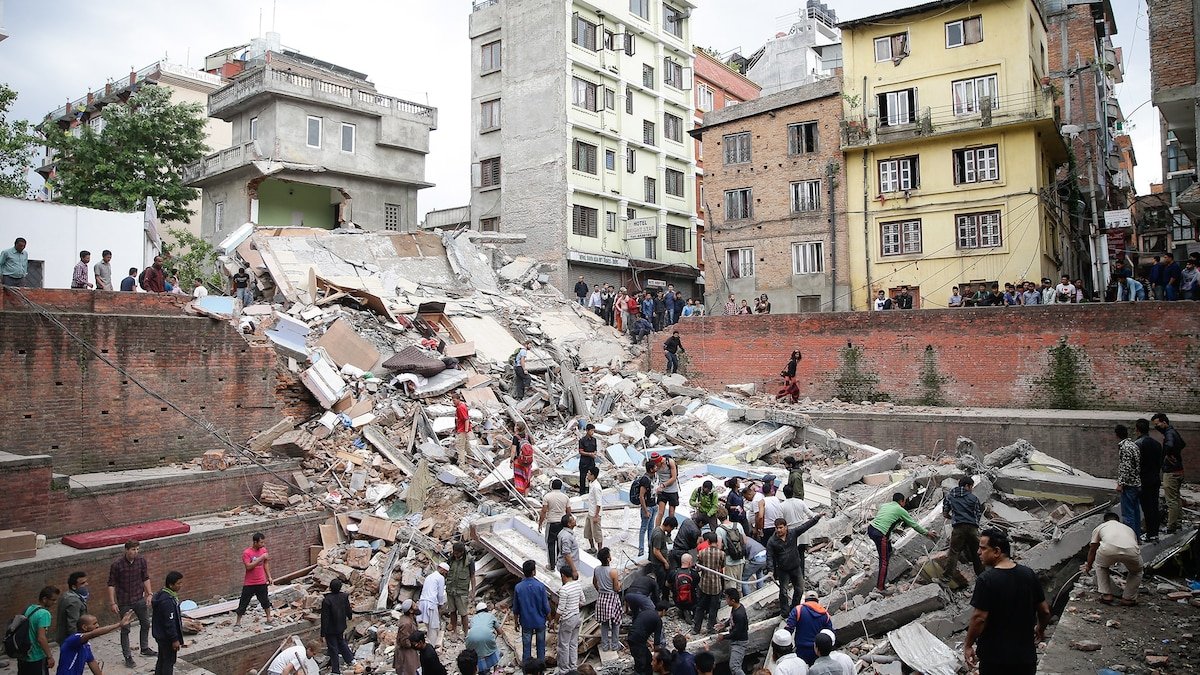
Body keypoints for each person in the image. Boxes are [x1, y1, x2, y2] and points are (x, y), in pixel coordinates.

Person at [964, 528, 1049, 675]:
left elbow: (979, 618)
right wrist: (1040, 629)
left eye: (983, 548)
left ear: (996, 551)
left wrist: (968, 645)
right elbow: (1045, 611)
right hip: (1025, 658)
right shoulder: (1028, 574)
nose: (978, 552)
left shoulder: (986, 580)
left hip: (995, 659)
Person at [867, 493, 937, 592]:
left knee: (887, 543)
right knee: (884, 561)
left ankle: (889, 551)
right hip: (880, 534)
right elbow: (914, 524)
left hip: (871, 529)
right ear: (901, 501)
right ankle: (880, 587)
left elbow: (885, 519)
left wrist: (895, 529)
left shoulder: (884, 505)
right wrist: (926, 533)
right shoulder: (901, 510)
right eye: (904, 501)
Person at [107, 540, 154, 669]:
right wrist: (112, 602)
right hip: (124, 601)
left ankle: (144, 648)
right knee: (125, 628)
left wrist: (149, 593)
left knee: (145, 623)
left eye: (137, 549)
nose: (135, 552)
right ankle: (127, 656)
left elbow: (145, 577)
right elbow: (111, 584)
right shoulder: (117, 565)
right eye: (133, 549)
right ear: (126, 550)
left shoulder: (141, 561)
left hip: (139, 598)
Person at [1082, 512, 1143, 606]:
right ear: (1118, 521)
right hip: (1131, 551)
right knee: (1137, 572)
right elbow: (1134, 544)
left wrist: (1089, 566)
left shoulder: (1101, 527)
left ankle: (1106, 594)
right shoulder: (1129, 529)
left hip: (1108, 549)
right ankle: (1128, 598)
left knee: (1100, 566)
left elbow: (1093, 548)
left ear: (1105, 520)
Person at [766, 515, 823, 617]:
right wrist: (770, 570)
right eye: (777, 528)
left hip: (796, 567)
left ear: (786, 527)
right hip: (783, 570)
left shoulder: (793, 533)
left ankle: (795, 609)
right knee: (783, 591)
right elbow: (769, 556)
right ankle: (784, 613)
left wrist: (817, 517)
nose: (778, 530)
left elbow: (805, 526)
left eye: (780, 527)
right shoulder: (772, 541)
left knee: (800, 589)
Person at [56, 610, 134, 675]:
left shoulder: (86, 645)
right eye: (94, 624)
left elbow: (92, 661)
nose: (97, 625)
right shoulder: (74, 639)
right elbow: (94, 633)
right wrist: (119, 624)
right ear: (84, 627)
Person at [942, 476, 985, 578]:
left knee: (954, 552)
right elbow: (978, 515)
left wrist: (952, 517)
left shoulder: (950, 496)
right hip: (972, 528)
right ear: (967, 486)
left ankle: (946, 578)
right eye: (971, 487)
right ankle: (982, 577)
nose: (971, 489)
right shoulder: (973, 498)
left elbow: (945, 513)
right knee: (977, 553)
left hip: (958, 527)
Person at [1153, 413, 1187, 534]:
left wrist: (1166, 457)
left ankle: (1171, 526)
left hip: (1171, 472)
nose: (1156, 427)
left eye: (1157, 424)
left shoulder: (1169, 434)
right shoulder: (1174, 432)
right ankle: (1178, 522)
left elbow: (1169, 445)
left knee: (1171, 500)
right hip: (1179, 470)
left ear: (1164, 422)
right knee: (1176, 498)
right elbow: (1183, 444)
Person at [513, 560, 550, 665]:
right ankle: (541, 669)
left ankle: (527, 670)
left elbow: (516, 608)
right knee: (541, 647)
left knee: (526, 648)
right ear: (533, 572)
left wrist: (516, 622)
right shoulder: (540, 586)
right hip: (540, 621)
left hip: (526, 622)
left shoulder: (518, 587)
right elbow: (546, 607)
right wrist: (550, 620)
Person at [234, 532, 273, 627]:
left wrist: (269, 576)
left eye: (263, 543)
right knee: (244, 602)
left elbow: (265, 564)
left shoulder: (263, 550)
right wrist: (261, 558)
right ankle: (238, 622)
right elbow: (248, 567)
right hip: (249, 583)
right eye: (261, 543)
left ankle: (269, 618)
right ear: (255, 542)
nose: (263, 545)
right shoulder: (247, 553)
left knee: (265, 601)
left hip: (261, 581)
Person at [1134, 419, 1164, 543]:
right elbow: (1160, 462)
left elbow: (1136, 465)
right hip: (1155, 478)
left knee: (1146, 508)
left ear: (1137, 429)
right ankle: (1154, 533)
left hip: (1144, 480)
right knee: (1154, 506)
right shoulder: (1157, 444)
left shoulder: (1138, 444)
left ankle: (1149, 534)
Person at [18, 586, 58, 675]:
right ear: (44, 599)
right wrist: (49, 656)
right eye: (53, 600)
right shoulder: (44, 614)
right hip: (36, 657)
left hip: (23, 655)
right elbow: (41, 638)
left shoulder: (29, 608)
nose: (55, 602)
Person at [151, 571, 185, 675]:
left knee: (162, 658)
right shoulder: (167, 601)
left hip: (160, 635)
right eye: (178, 583)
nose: (180, 585)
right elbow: (169, 622)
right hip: (166, 638)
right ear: (171, 585)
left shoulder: (163, 595)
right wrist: (175, 639)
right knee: (169, 661)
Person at [786, 590, 832, 665]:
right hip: (818, 651)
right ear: (817, 600)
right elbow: (830, 634)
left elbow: (789, 628)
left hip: (801, 649)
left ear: (805, 600)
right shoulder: (825, 614)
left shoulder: (798, 610)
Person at [320, 578, 355, 674]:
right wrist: (350, 616)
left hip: (330, 629)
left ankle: (336, 670)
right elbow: (348, 609)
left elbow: (325, 618)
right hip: (340, 626)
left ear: (330, 588)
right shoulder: (344, 596)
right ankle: (351, 660)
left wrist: (322, 634)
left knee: (333, 648)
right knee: (341, 642)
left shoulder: (327, 600)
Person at [553, 564, 583, 674]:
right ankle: (573, 667)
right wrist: (574, 606)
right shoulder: (578, 585)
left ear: (563, 575)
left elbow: (560, 609)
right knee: (573, 643)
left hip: (567, 619)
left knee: (563, 645)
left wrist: (555, 621)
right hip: (577, 616)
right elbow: (583, 601)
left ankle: (564, 670)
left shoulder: (564, 590)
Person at [1114, 424, 1142, 540]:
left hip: (1129, 485)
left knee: (1127, 513)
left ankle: (1129, 539)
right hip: (1136, 483)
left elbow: (1126, 467)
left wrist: (1121, 483)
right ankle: (1137, 536)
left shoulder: (1124, 448)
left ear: (1117, 435)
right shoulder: (1134, 445)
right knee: (1136, 512)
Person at [693, 532, 724, 635]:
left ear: (708, 542)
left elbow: (697, 568)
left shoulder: (702, 553)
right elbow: (722, 566)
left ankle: (696, 628)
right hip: (716, 585)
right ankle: (710, 628)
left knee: (700, 607)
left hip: (704, 584)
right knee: (713, 608)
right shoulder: (721, 554)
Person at [593, 548, 623, 652]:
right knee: (616, 622)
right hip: (612, 597)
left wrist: (600, 590)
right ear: (608, 558)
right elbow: (616, 588)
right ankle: (615, 645)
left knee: (604, 623)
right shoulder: (613, 571)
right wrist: (620, 584)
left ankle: (605, 646)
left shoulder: (596, 569)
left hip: (601, 597)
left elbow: (594, 583)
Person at [539, 480, 571, 571]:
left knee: (550, 544)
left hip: (552, 522)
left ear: (552, 486)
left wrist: (540, 523)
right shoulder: (565, 497)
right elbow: (569, 511)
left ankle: (551, 565)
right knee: (560, 544)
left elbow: (544, 511)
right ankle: (558, 563)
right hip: (562, 523)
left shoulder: (547, 496)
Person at [446, 542, 476, 638]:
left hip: (462, 592)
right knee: (452, 611)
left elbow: (472, 576)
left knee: (463, 613)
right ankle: (454, 631)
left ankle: (466, 632)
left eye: (457, 553)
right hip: (451, 590)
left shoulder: (469, 561)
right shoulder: (451, 559)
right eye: (454, 552)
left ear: (462, 552)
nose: (455, 555)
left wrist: (473, 591)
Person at [715, 588, 749, 675]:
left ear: (733, 600)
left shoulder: (739, 614)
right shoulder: (736, 607)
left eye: (727, 598)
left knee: (734, 667)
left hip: (739, 643)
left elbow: (736, 633)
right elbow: (732, 619)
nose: (726, 601)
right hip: (735, 641)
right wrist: (724, 624)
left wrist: (723, 637)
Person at [630, 602, 666, 675]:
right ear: (664, 611)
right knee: (641, 663)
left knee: (648, 658)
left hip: (632, 637)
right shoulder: (658, 620)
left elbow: (639, 627)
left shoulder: (645, 612)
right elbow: (657, 641)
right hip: (638, 641)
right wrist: (658, 653)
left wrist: (648, 642)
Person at [54, 571, 90, 645]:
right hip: (71, 640)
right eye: (82, 583)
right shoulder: (74, 601)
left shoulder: (66, 595)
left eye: (86, 582)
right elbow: (72, 625)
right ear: (74, 587)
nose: (86, 584)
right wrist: (77, 641)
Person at [420, 562, 449, 649]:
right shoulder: (440, 578)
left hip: (423, 602)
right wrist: (440, 604)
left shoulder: (429, 576)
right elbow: (440, 594)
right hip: (431, 603)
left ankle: (428, 644)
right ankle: (431, 647)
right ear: (443, 570)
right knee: (434, 627)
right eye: (446, 573)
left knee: (427, 626)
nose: (445, 575)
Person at [466, 601, 501, 673]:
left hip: (471, 637)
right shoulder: (491, 616)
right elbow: (500, 632)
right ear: (486, 610)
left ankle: (478, 669)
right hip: (486, 635)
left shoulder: (474, 618)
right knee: (491, 650)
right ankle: (492, 668)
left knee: (476, 655)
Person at [635, 460, 658, 556]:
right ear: (651, 469)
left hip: (653, 505)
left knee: (651, 529)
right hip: (648, 507)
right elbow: (641, 496)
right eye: (655, 467)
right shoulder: (645, 480)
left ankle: (650, 548)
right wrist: (645, 510)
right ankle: (641, 550)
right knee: (644, 528)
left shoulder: (653, 477)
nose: (657, 468)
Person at [653, 452, 680, 529]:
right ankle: (656, 530)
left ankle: (668, 533)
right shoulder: (655, 465)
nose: (656, 466)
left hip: (672, 490)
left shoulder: (670, 462)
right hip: (662, 492)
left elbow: (674, 478)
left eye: (656, 464)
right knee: (660, 513)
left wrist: (663, 485)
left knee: (671, 514)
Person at [648, 516, 676, 591]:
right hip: (658, 563)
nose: (671, 530)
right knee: (661, 582)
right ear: (669, 526)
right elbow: (656, 551)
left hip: (659, 562)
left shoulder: (659, 530)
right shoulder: (658, 534)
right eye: (672, 528)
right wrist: (665, 562)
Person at [394, 599, 421, 675]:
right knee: (408, 671)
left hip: (411, 650)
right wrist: (414, 645)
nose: (417, 606)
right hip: (406, 653)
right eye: (415, 605)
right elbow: (404, 641)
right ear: (411, 611)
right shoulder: (406, 623)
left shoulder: (411, 618)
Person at [672, 553, 699, 623]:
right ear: (690, 562)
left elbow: (667, 584)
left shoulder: (674, 573)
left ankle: (682, 610)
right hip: (691, 601)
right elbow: (696, 584)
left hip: (677, 600)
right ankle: (691, 612)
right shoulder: (694, 574)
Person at [511, 423, 535, 496]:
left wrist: (511, 460)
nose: (514, 427)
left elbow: (513, 451)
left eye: (515, 426)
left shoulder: (516, 437)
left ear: (517, 428)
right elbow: (530, 448)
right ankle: (526, 496)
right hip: (528, 462)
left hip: (519, 461)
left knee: (519, 478)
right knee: (527, 478)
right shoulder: (527, 436)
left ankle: (520, 495)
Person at [584, 466, 603, 553]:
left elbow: (599, 503)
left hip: (595, 514)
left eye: (589, 474)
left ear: (593, 475)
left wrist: (596, 516)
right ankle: (592, 548)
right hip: (590, 512)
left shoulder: (596, 487)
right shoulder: (591, 484)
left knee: (597, 534)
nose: (587, 475)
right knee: (588, 531)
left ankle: (600, 551)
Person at [556, 514, 581, 580]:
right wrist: (574, 570)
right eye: (572, 520)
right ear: (569, 524)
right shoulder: (567, 537)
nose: (574, 520)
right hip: (568, 568)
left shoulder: (564, 533)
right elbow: (567, 554)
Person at [577, 424, 599, 496]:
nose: (592, 432)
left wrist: (594, 453)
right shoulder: (582, 440)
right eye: (591, 431)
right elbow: (581, 451)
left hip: (591, 461)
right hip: (584, 462)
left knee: (592, 477)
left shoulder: (594, 440)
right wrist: (589, 454)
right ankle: (582, 493)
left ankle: (591, 491)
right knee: (582, 478)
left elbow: (595, 449)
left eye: (593, 431)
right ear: (587, 431)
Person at [452, 392, 472, 467]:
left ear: (458, 399)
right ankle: (471, 458)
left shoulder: (461, 408)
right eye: (452, 400)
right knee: (466, 445)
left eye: (454, 400)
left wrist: (466, 431)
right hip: (462, 429)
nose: (453, 402)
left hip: (462, 430)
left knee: (460, 447)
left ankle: (461, 464)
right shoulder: (460, 406)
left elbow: (466, 419)